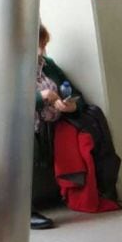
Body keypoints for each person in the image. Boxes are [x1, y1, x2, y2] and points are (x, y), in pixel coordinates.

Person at [32, 24, 81, 230]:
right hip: (25, 125)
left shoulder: (48, 64)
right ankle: (23, 210)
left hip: (52, 123)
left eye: (43, 44)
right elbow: (7, 101)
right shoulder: (7, 66)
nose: (41, 50)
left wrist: (71, 104)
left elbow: (72, 90)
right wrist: (41, 97)